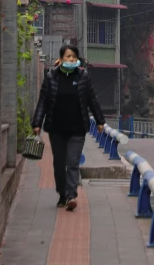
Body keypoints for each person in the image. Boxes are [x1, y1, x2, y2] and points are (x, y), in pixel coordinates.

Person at [32, 44, 105, 211]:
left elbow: (92, 100)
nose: (71, 59)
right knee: (59, 164)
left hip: (77, 128)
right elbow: (43, 101)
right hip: (56, 128)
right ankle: (62, 194)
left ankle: (71, 195)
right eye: (68, 56)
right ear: (61, 58)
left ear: (77, 59)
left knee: (72, 162)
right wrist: (36, 123)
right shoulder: (51, 77)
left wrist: (100, 121)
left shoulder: (83, 77)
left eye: (74, 57)